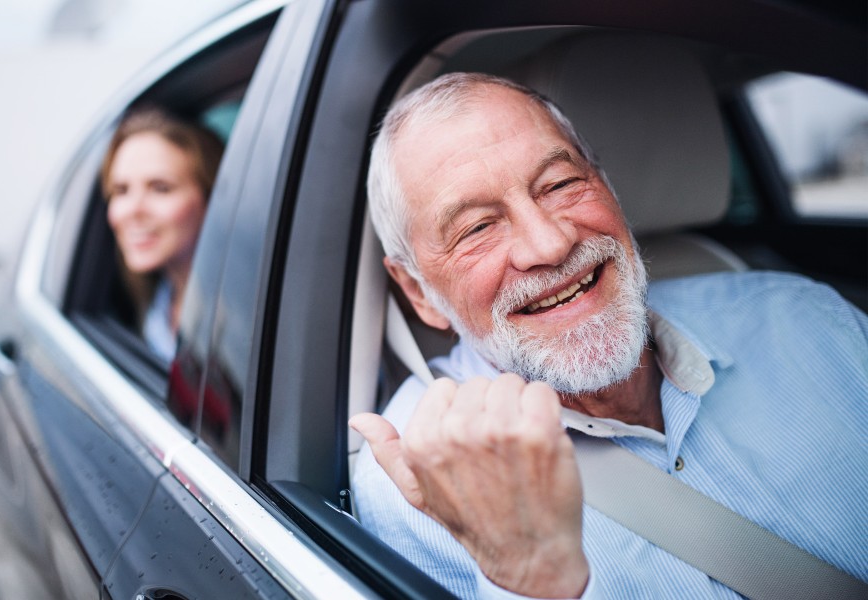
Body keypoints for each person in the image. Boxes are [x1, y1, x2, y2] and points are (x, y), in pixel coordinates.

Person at [350, 72, 868, 599]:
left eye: (559, 184)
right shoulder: (414, 488)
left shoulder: (804, 319)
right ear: (417, 292)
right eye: (477, 228)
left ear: (608, 187)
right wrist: (529, 579)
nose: (549, 244)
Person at [101, 107, 224, 361]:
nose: (133, 210)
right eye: (121, 190)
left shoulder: (249, 317)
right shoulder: (156, 302)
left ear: (211, 199)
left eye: (160, 188)